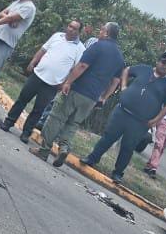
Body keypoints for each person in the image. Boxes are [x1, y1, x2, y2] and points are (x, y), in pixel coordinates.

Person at [33, 22, 126, 167]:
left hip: (77, 89)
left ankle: (44, 151)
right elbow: (115, 82)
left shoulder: (98, 46)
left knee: (56, 118)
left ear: (107, 33)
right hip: (92, 98)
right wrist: (103, 97)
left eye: (101, 30)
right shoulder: (120, 58)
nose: (99, 32)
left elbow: (82, 65)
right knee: (72, 124)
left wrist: (68, 82)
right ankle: (64, 148)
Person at [80, 54, 166, 184]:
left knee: (128, 147)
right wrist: (124, 86)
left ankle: (117, 173)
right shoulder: (144, 69)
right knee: (108, 137)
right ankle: (91, 159)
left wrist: (156, 120)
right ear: (158, 61)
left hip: (140, 122)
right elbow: (126, 70)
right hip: (122, 112)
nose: (164, 66)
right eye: (163, 62)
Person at [0, 20, 84, 143]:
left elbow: (75, 69)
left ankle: (26, 133)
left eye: (74, 28)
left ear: (79, 32)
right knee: (22, 99)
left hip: (53, 84)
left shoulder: (80, 48)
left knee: (38, 109)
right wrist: (33, 61)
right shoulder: (57, 36)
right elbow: (43, 50)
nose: (71, 29)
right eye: (70, 26)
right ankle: (8, 122)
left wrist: (66, 82)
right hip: (38, 75)